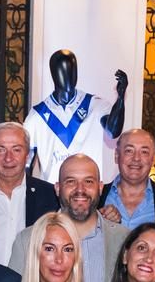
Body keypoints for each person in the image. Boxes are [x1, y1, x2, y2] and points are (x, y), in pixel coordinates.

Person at [8, 153, 130, 282]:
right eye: (71, 181)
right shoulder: (27, 240)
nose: (80, 189)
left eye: (88, 181)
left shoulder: (123, 239)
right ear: (57, 188)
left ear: (100, 188)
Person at [24, 49, 126, 182]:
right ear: (54, 74)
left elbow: (113, 132)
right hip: (53, 189)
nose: (69, 76)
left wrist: (120, 98)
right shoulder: (37, 115)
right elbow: (27, 162)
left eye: (72, 70)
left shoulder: (94, 105)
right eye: (63, 70)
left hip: (89, 188)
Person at [0, 121, 58, 266]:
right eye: (1, 149)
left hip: (33, 280)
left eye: (16, 150)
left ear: (27, 155)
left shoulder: (51, 197)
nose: (8, 158)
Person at [96, 129, 155, 229]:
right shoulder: (95, 198)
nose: (136, 158)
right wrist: (97, 219)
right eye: (129, 151)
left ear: (153, 159)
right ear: (116, 155)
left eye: (144, 152)